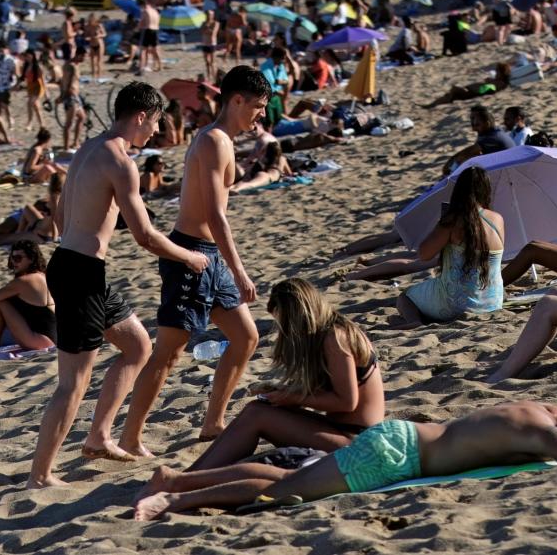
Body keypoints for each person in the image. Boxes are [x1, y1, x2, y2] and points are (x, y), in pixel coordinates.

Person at [24, 82, 207, 488]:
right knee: (73, 383)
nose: (157, 132)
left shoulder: (89, 147)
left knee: (138, 345)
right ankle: (40, 476)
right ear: (141, 116)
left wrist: (93, 223)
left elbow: (61, 211)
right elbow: (144, 235)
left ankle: (99, 436)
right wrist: (189, 256)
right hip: (80, 273)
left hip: (77, 266)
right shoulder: (120, 162)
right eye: (156, 123)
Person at [133, 401, 557, 520]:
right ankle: (173, 499)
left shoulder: (539, 408)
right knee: (283, 492)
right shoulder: (545, 433)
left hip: (401, 435)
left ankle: (179, 477)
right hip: (398, 457)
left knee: (292, 477)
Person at [119, 67, 269, 459]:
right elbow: (217, 215)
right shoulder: (215, 141)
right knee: (169, 352)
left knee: (246, 336)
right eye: (257, 106)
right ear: (236, 100)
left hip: (210, 254)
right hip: (190, 254)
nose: (261, 115)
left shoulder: (222, 140)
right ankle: (130, 437)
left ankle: (213, 422)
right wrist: (240, 271)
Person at [185, 279, 384, 473]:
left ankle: (189, 479)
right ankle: (191, 476)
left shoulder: (335, 338)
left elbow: (347, 402)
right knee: (256, 409)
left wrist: (292, 397)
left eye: (285, 323)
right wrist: (283, 393)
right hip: (341, 431)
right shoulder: (331, 332)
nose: (286, 331)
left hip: (359, 443)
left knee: (257, 415)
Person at [391, 167, 506, 326]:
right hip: (493, 302)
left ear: (458, 191)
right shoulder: (497, 219)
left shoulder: (453, 221)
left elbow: (424, 254)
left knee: (405, 297)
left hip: (455, 305)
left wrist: (439, 226)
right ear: (486, 190)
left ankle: (414, 321)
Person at [0, 241, 56, 351]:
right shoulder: (43, 276)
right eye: (12, 258)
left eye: (18, 258)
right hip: (54, 339)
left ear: (31, 259)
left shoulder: (23, 281)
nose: (13, 262)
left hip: (38, 341)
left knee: (0, 303)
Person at [440, 105, 514, 177]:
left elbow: (465, 154)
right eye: (471, 119)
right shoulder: (492, 131)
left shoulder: (492, 137)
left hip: (506, 174)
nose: (472, 122)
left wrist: (449, 168)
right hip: (504, 170)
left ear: (486, 123)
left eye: (474, 119)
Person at [138, 2, 162, 74]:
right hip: (156, 30)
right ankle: (160, 66)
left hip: (147, 29)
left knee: (143, 49)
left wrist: (138, 27)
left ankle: (141, 67)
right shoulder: (155, 11)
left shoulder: (145, 11)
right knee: (156, 49)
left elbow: (142, 22)